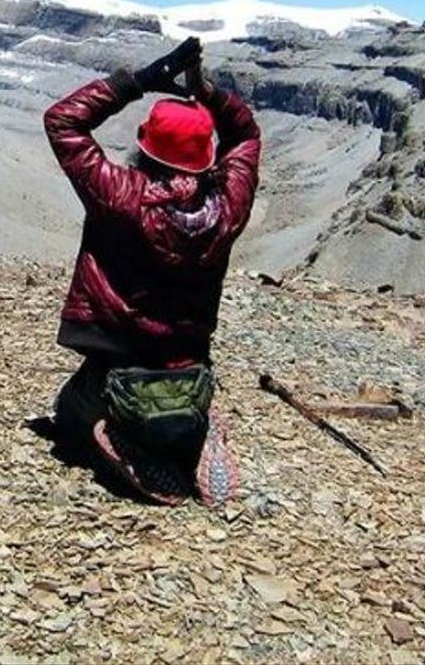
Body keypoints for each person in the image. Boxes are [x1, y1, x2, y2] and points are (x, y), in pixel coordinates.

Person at [43, 37, 261, 506]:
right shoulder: (227, 208)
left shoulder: (121, 196)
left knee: (69, 413)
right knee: (172, 396)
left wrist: (138, 81)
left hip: (120, 362)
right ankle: (192, 432)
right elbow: (244, 137)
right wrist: (207, 93)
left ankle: (127, 441)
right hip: (190, 364)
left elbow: (62, 121)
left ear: (146, 148)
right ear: (206, 158)